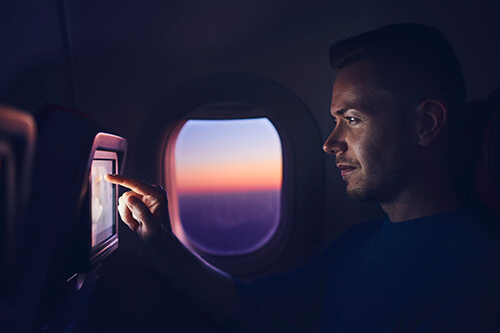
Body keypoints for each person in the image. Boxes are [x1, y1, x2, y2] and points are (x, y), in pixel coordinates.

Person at [105, 23, 500, 332]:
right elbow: (257, 309)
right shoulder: (357, 246)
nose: (330, 143)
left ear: (426, 123)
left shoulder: (472, 278)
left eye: (352, 119)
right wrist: (160, 238)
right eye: (334, 120)